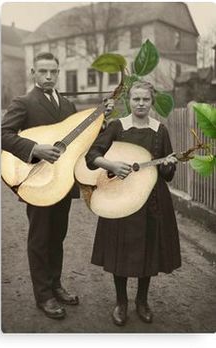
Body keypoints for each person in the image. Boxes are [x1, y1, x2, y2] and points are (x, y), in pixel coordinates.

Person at [2, 52, 113, 320]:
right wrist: (34, 148)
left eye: (53, 71)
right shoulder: (24, 102)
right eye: (43, 72)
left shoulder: (67, 104)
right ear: (33, 73)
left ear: (58, 72)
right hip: (37, 181)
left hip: (62, 181)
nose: (48, 76)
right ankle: (44, 296)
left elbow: (82, 138)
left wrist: (103, 117)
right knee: (40, 238)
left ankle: (55, 285)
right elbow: (1, 134)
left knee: (57, 236)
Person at [85, 80, 181, 326]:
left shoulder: (160, 129)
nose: (140, 104)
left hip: (152, 200)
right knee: (120, 250)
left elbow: (167, 174)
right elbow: (92, 156)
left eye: (145, 99)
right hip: (120, 198)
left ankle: (142, 301)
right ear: (129, 100)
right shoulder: (118, 127)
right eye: (136, 99)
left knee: (148, 250)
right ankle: (121, 302)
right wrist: (112, 165)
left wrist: (169, 166)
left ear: (152, 101)